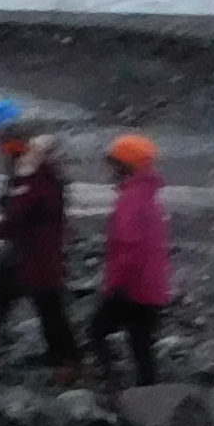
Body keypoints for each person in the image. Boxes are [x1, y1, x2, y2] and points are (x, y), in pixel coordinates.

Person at [0, 99, 80, 372]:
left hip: (35, 251)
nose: (0, 144)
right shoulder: (34, 169)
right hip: (28, 249)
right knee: (3, 292)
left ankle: (68, 361)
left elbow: (21, 211)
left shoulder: (34, 173)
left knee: (48, 305)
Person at [89, 132, 173, 387]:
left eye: (115, 164)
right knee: (140, 342)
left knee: (97, 331)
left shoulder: (131, 198)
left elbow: (129, 247)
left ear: (125, 166)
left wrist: (116, 285)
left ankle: (110, 385)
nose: (111, 170)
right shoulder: (147, 194)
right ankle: (149, 394)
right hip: (153, 285)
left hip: (133, 286)